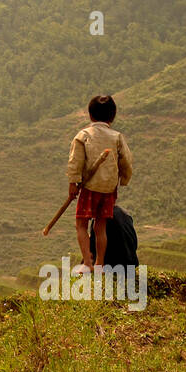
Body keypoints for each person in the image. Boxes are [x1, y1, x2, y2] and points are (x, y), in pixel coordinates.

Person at [65, 95, 134, 273]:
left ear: (90, 115)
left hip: (89, 188)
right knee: (100, 226)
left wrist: (73, 183)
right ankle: (99, 264)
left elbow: (75, 162)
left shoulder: (84, 136)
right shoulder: (117, 137)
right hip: (109, 190)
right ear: (112, 116)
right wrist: (124, 179)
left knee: (81, 224)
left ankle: (87, 262)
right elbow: (126, 161)